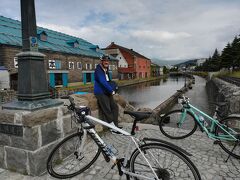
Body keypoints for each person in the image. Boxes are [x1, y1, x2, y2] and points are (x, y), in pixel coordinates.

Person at [94, 54, 120, 133]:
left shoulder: (106, 69)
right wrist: (111, 91)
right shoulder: (99, 70)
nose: (106, 62)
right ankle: (112, 128)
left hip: (107, 92)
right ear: (101, 61)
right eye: (104, 61)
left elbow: (108, 81)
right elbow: (103, 82)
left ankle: (116, 125)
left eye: (107, 61)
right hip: (101, 92)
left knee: (115, 107)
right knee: (107, 110)